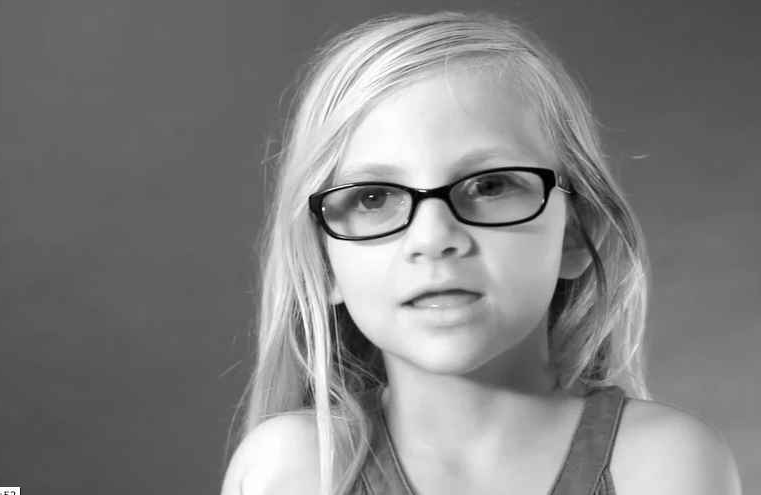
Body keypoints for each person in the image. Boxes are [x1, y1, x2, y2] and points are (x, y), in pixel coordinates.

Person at [220, 11, 742, 495]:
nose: (433, 237)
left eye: (490, 186)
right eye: (373, 198)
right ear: (322, 262)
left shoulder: (665, 464)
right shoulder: (291, 470)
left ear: (577, 234)